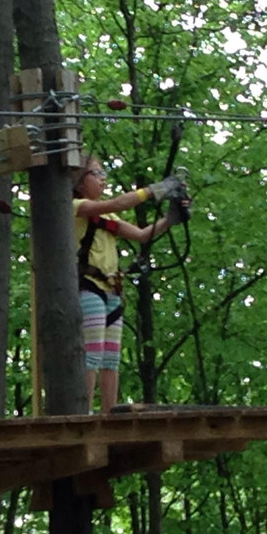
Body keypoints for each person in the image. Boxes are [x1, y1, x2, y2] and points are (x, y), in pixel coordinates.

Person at [73, 154, 189, 413]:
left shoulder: (107, 218)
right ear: (79, 182)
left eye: (104, 174)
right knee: (92, 354)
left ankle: (110, 414)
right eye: (96, 173)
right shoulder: (76, 207)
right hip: (89, 286)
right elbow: (117, 203)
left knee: (110, 359)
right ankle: (84, 414)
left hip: (112, 291)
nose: (103, 179)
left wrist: (170, 219)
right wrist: (155, 190)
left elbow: (141, 235)